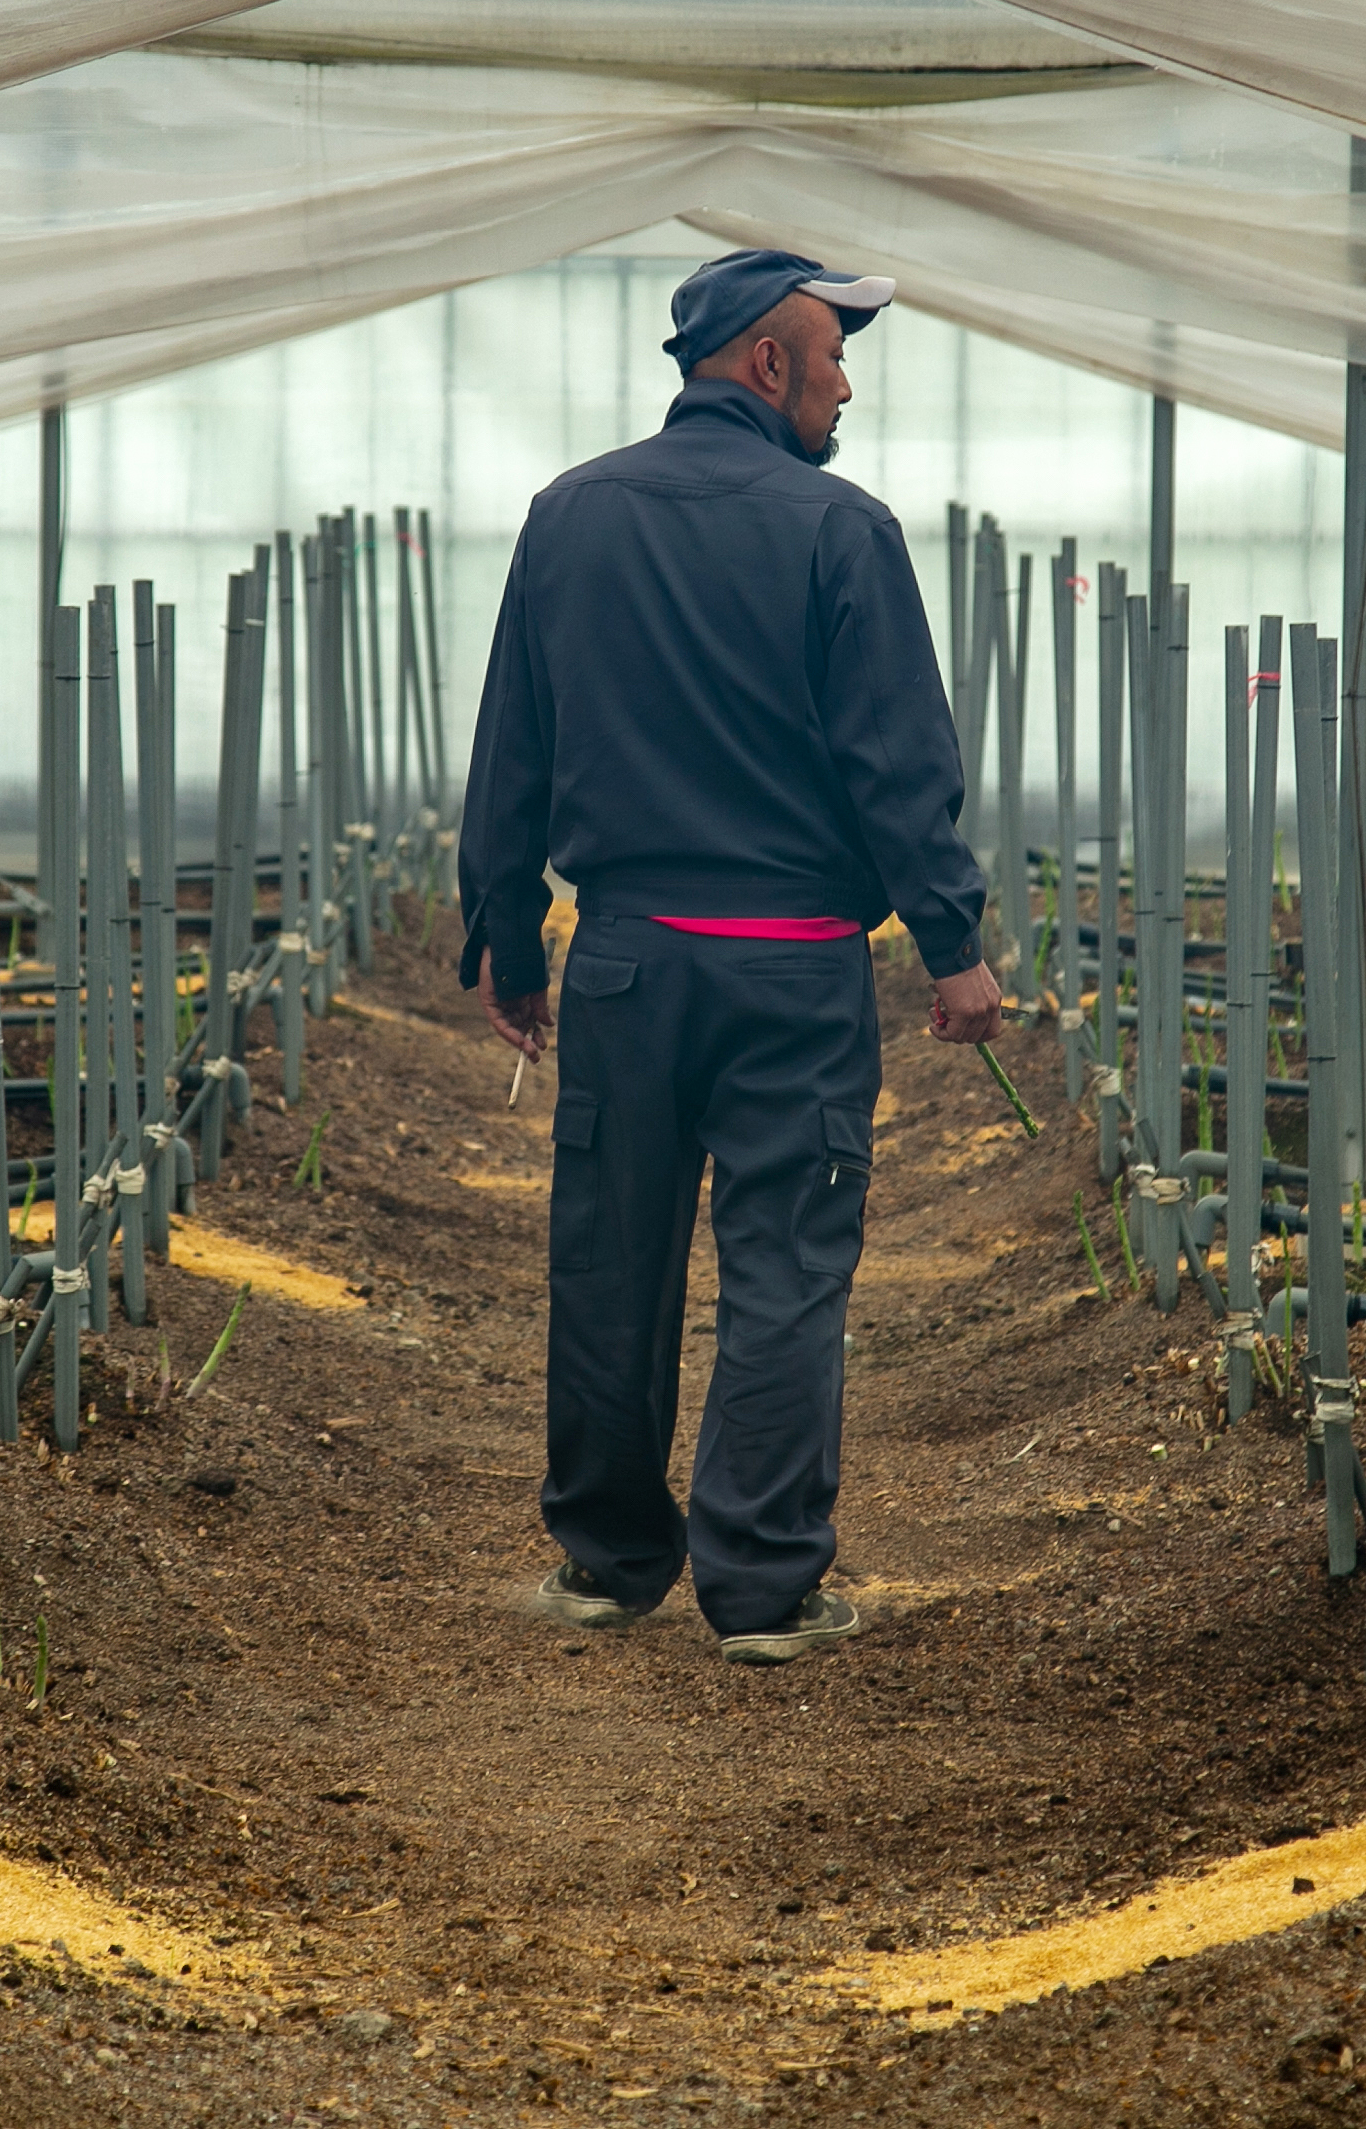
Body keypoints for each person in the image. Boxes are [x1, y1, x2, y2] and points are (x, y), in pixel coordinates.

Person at [457, 246, 1003, 1666]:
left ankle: (611, 1560)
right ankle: (760, 1589)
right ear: (768, 362)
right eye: (832, 358)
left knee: (612, 1253)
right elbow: (899, 765)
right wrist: (952, 945)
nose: (844, 385)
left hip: (629, 964)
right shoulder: (841, 531)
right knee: (784, 1270)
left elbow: (513, 750)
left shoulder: (568, 517)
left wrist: (512, 941)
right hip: (794, 976)